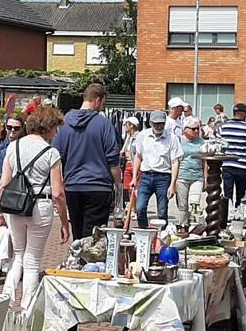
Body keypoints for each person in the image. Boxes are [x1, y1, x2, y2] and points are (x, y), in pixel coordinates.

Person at [0, 106, 71, 314]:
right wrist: (64, 222)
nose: (56, 132)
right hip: (41, 206)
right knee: (32, 260)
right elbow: (58, 192)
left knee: (18, 256)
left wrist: (1, 213)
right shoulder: (51, 153)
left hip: (14, 206)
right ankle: (27, 307)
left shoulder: (13, 147)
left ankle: (5, 301)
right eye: (55, 128)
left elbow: (4, 183)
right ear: (47, 127)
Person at [52, 83, 121, 239]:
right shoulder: (103, 124)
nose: (102, 107)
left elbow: (56, 156)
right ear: (97, 100)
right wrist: (118, 186)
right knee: (94, 238)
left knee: (78, 234)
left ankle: (78, 252)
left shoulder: (64, 123)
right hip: (98, 186)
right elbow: (113, 161)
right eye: (103, 103)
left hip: (73, 186)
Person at [132, 110, 182, 228]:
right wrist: (134, 177)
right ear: (150, 123)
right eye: (156, 124)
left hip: (163, 177)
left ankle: (162, 234)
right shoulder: (143, 136)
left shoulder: (172, 138)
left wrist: (173, 184)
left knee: (162, 211)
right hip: (146, 176)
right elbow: (138, 157)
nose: (159, 126)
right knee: (140, 207)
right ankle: (144, 232)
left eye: (162, 124)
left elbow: (175, 162)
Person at [220, 103, 246, 206]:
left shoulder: (224, 126)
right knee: (241, 194)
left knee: (227, 193)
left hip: (227, 164)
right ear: (243, 114)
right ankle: (238, 210)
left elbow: (219, 145)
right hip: (242, 165)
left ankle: (226, 212)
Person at [0, 113, 26, 198]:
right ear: (5, 127)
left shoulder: (26, 145)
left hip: (22, 189)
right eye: (9, 127)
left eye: (16, 128)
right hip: (3, 188)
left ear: (21, 129)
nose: (12, 130)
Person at [175, 116, 204, 225]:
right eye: (193, 129)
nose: (196, 131)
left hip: (197, 176)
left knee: (194, 204)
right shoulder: (178, 141)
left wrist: (205, 177)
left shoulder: (201, 142)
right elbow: (175, 161)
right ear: (185, 129)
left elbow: (205, 161)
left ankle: (193, 226)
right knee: (182, 205)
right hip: (182, 176)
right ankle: (183, 226)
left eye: (197, 128)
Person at [120, 116, 140, 204]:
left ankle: (134, 207)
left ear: (131, 125)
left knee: (135, 187)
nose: (124, 126)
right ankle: (131, 206)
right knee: (128, 187)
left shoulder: (139, 137)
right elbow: (124, 150)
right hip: (127, 163)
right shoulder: (128, 137)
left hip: (134, 164)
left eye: (126, 124)